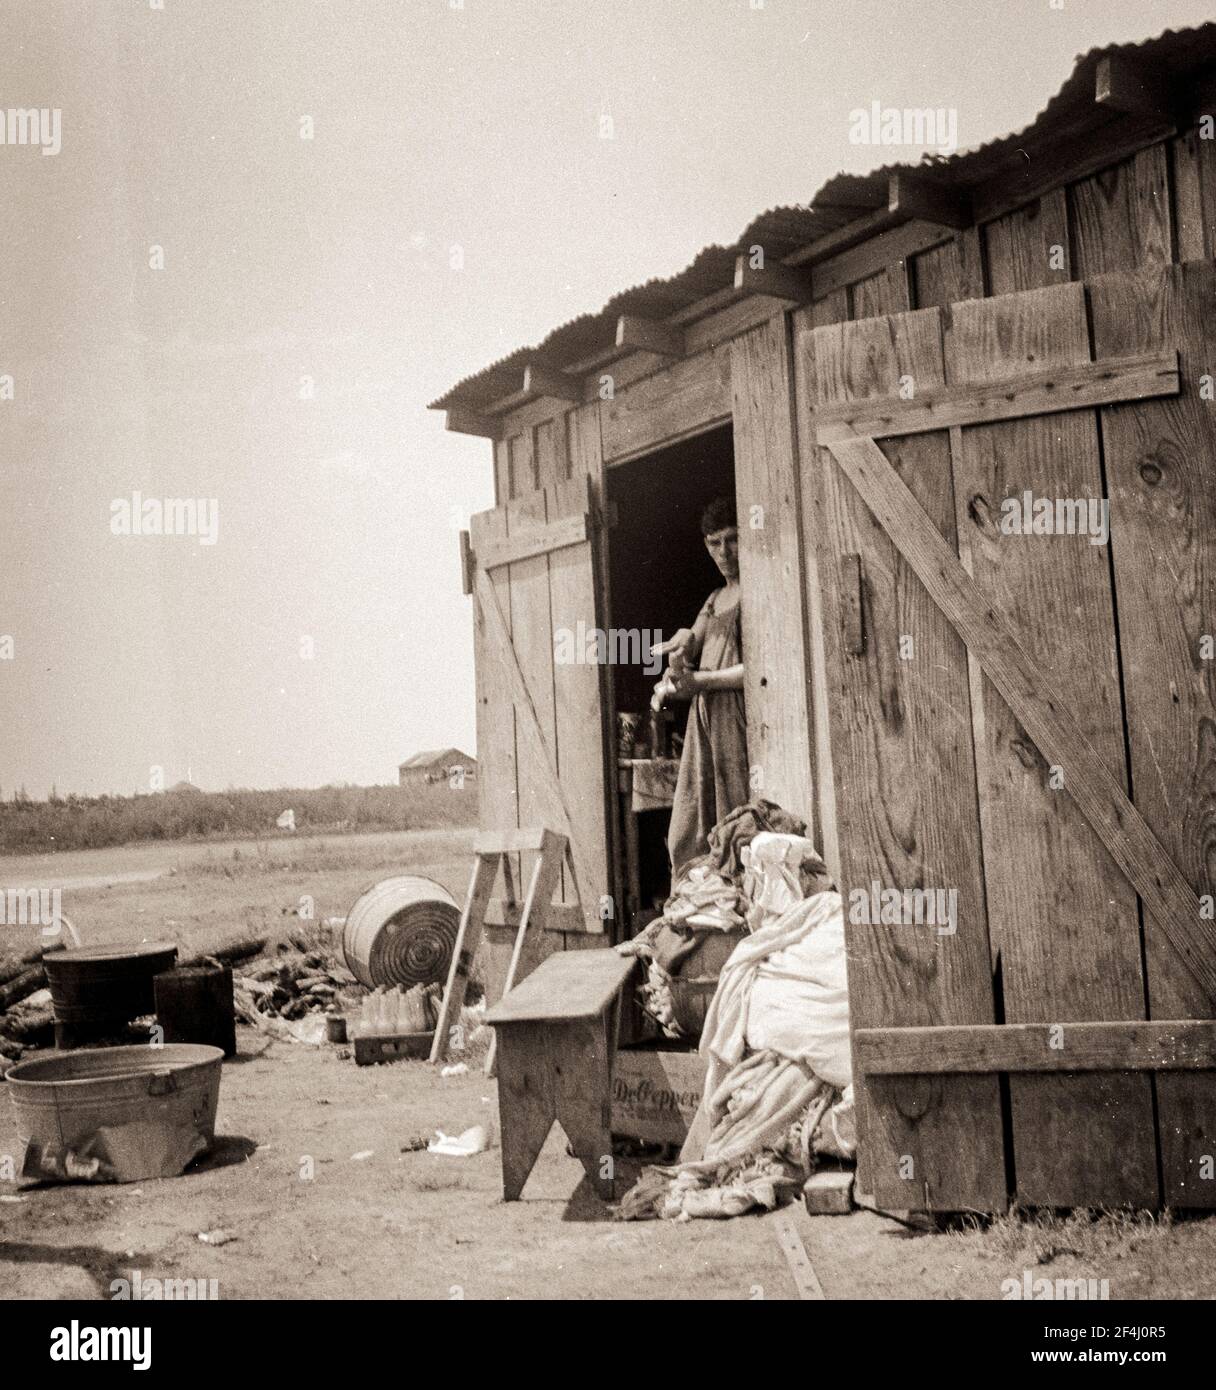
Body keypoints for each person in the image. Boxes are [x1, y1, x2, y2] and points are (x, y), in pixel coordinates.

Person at [653, 496, 748, 877]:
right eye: (714, 543)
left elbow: (761, 670)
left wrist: (700, 681)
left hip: (737, 718)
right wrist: (680, 652)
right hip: (705, 719)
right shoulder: (715, 598)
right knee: (687, 828)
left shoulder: (756, 590)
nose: (723, 552)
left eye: (731, 539)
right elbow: (693, 638)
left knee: (736, 819)